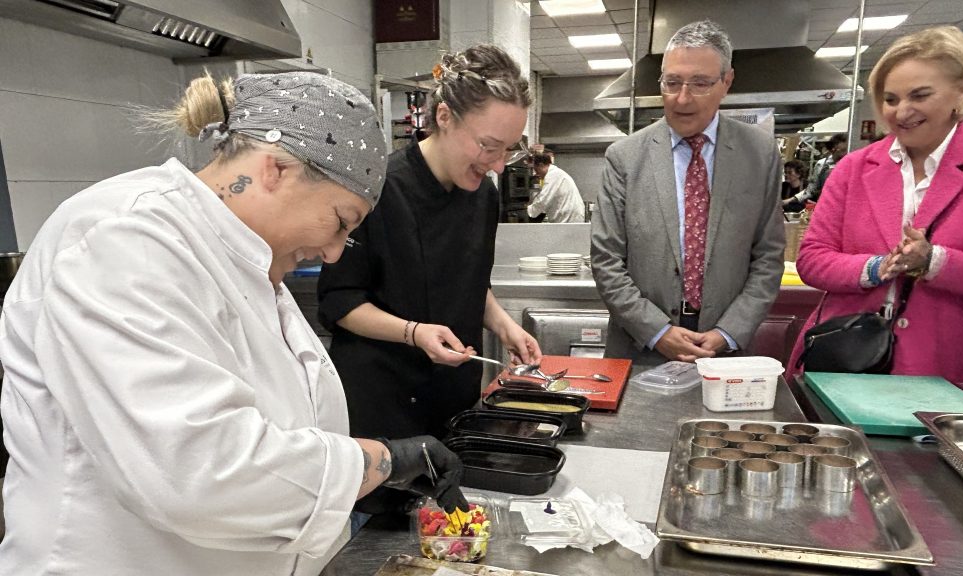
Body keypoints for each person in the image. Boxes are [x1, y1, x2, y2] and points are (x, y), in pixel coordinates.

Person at [0, 72, 467, 575]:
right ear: (276, 171)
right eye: (339, 221)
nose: (333, 253)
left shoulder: (243, 259)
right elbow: (199, 474)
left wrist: (369, 473)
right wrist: (380, 462)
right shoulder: (124, 240)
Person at [317, 45, 542, 442]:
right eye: (489, 146)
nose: (499, 164)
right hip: (382, 406)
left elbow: (469, 280)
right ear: (444, 117)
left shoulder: (484, 196)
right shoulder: (379, 188)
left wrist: (505, 326)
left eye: (508, 149)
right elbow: (341, 301)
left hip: (454, 401)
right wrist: (415, 332)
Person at [787, 26, 963, 384]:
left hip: (938, 366)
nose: (902, 111)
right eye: (891, 98)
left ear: (962, 89)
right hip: (843, 359)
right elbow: (813, 258)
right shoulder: (854, 167)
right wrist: (876, 267)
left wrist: (933, 261)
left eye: (920, 95)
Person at [591, 19, 785, 364]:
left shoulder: (760, 154)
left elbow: (768, 257)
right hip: (640, 349)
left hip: (725, 355)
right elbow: (606, 260)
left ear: (726, 82)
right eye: (672, 82)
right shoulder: (625, 157)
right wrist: (657, 331)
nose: (682, 98)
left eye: (700, 83)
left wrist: (727, 333)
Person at [784, 134, 847, 210]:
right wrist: (790, 200)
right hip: (827, 208)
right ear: (833, 149)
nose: (847, 152)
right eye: (844, 150)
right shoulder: (821, 164)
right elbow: (811, 189)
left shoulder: (850, 164)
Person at [527, 150, 585, 222]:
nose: (536, 173)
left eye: (536, 170)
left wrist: (527, 211)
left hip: (569, 220)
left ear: (541, 165)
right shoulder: (556, 173)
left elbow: (543, 199)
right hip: (569, 218)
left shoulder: (553, 175)